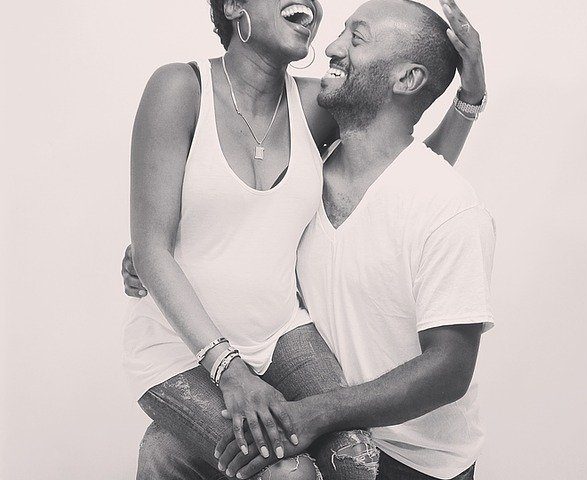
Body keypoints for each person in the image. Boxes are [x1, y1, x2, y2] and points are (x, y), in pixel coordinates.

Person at [122, 0, 486, 477]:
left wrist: (469, 100)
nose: (317, 14)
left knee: (351, 457)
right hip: (184, 348)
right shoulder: (181, 87)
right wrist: (154, 252)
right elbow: (153, 247)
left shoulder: (316, 104)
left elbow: (399, 169)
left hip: (283, 338)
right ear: (233, 6)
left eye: (355, 36)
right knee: (265, 467)